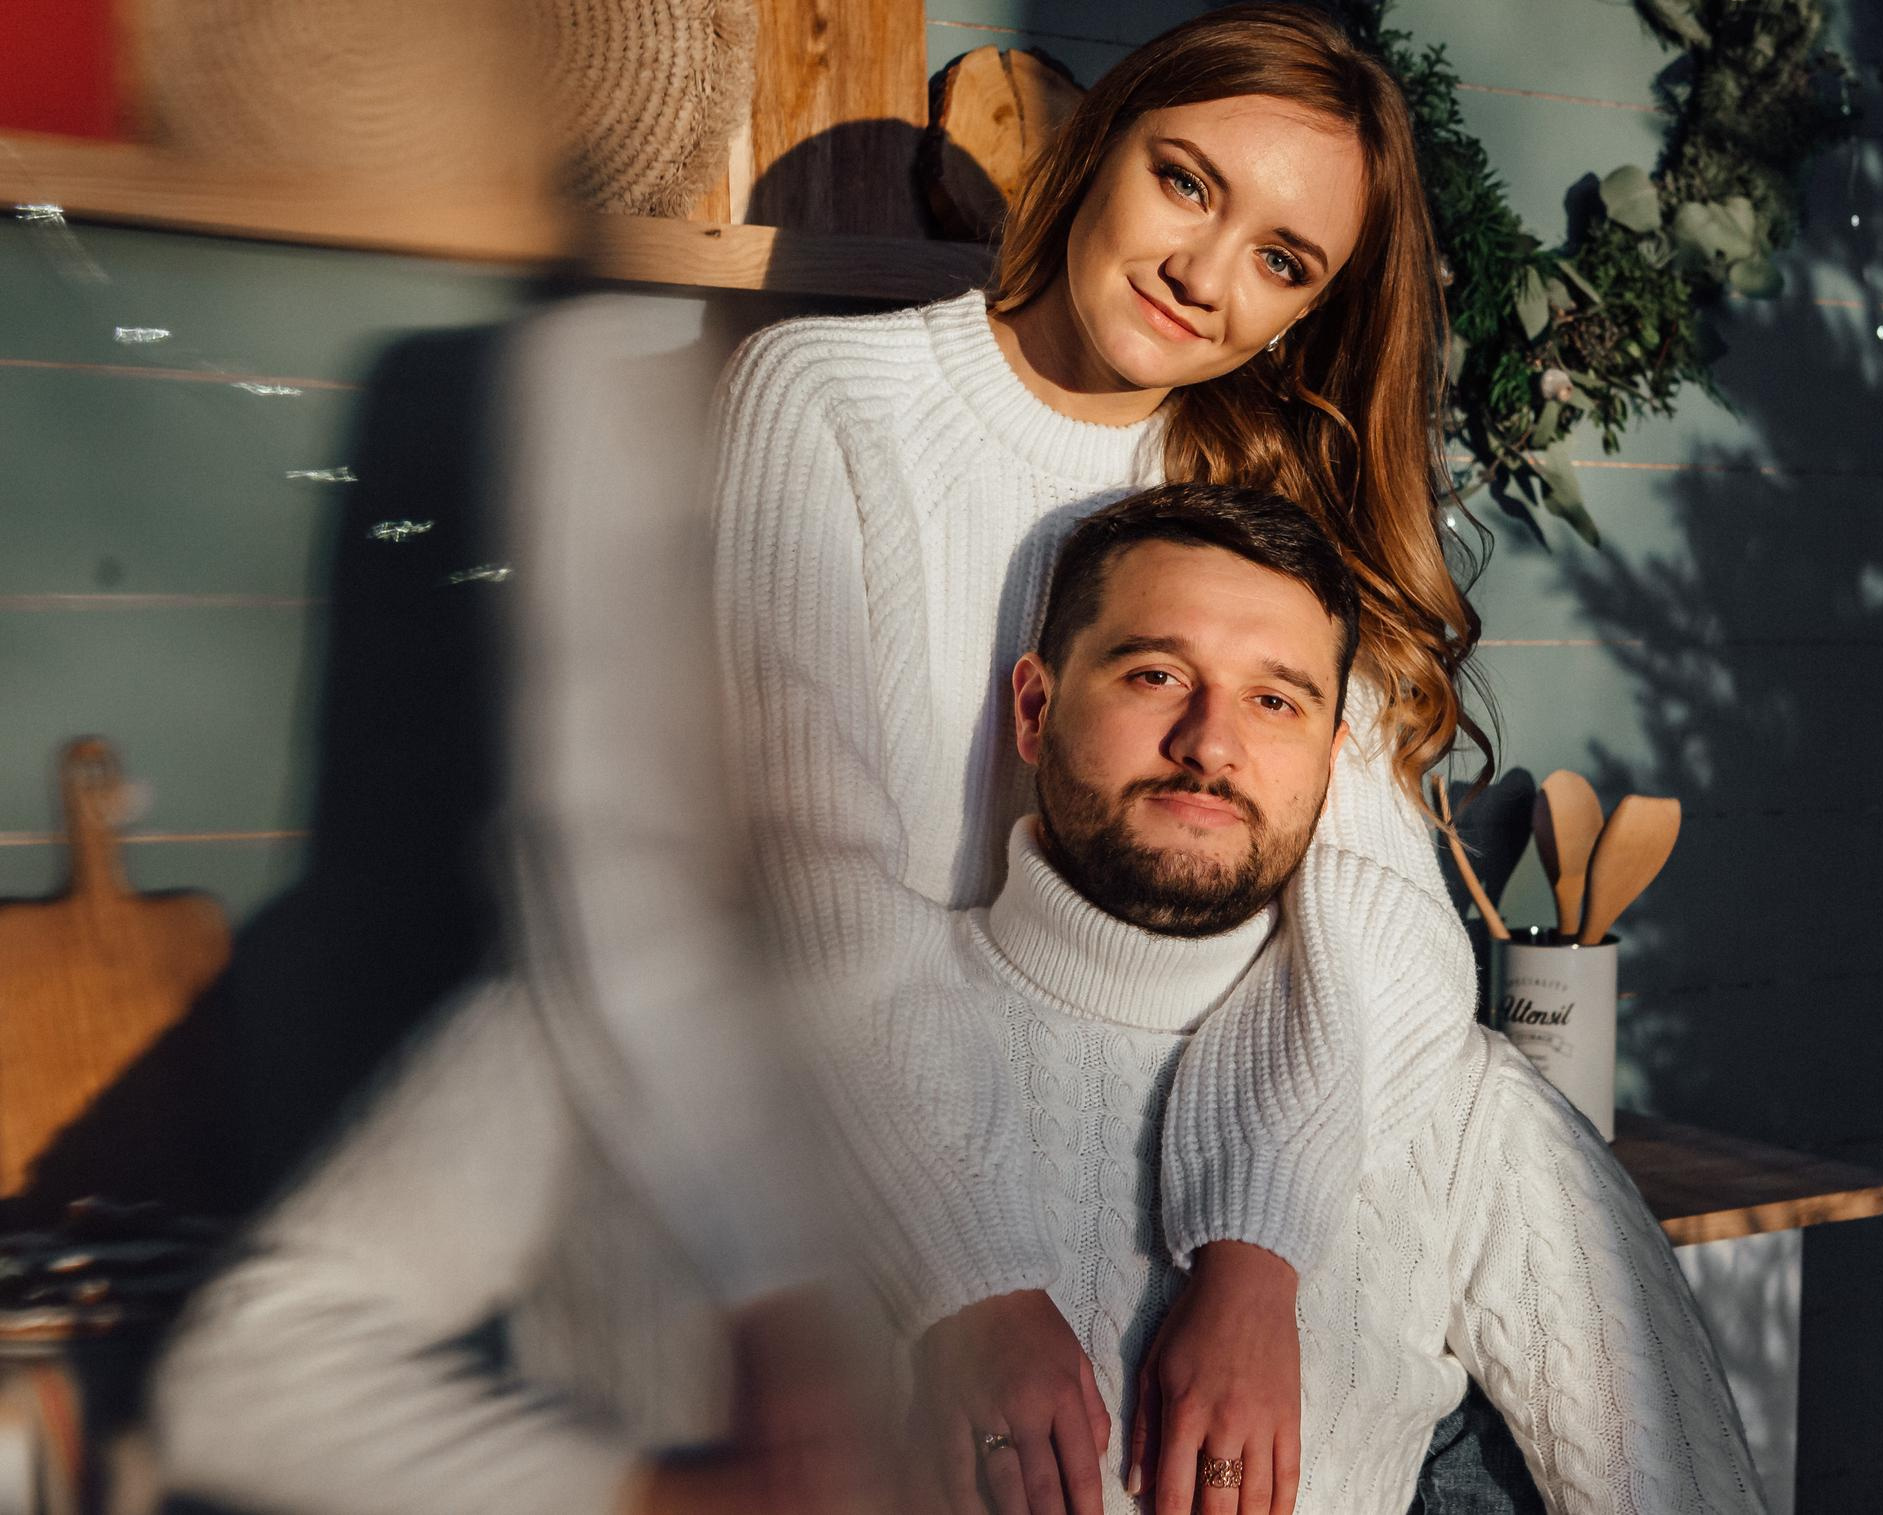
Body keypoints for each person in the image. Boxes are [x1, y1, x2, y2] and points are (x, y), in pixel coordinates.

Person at [151, 485, 1771, 1515]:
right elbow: (247, 1375)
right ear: (1031, 702)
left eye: (1277, 701)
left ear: (1326, 759)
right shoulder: (719, 1010)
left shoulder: (1458, 1111)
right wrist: (665, 1497)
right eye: (1155, 674)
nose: (1214, 740)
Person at [524, 1, 1506, 1515]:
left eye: (1283, 261)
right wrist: (962, 1279)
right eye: (1187, 182)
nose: (1204, 272)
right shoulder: (826, 399)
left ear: (1309, 311)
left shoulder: (1263, 503)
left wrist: (1259, 1262)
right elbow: (804, 878)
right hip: (879, 1206)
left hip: (1174, 1208)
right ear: (1097, 145)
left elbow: (1393, 937)